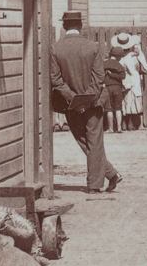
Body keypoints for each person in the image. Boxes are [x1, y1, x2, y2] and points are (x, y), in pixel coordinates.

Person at [51, 12, 121, 192]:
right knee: (94, 142)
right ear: (80, 26)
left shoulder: (55, 48)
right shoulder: (93, 47)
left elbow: (56, 79)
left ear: (64, 27)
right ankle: (105, 178)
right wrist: (87, 98)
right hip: (94, 102)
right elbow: (99, 77)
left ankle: (100, 181)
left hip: (70, 104)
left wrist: (73, 98)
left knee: (83, 139)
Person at [112, 32, 147, 131]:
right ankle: (130, 123)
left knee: (123, 101)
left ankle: (124, 123)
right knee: (131, 101)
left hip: (122, 80)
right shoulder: (133, 56)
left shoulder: (118, 56)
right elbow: (143, 68)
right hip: (132, 80)